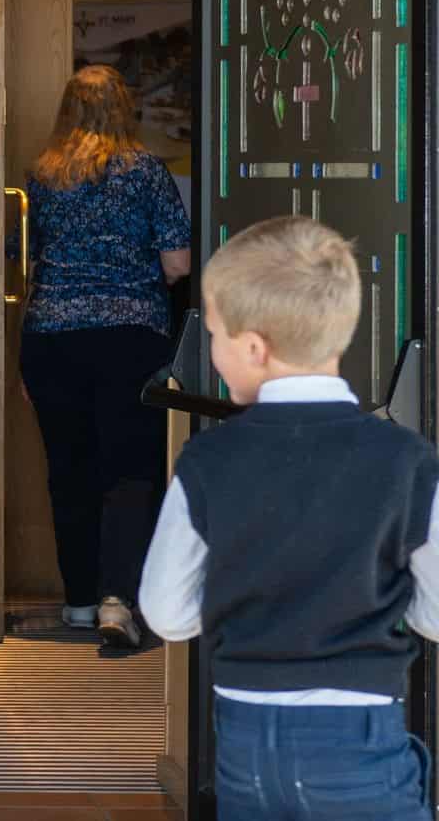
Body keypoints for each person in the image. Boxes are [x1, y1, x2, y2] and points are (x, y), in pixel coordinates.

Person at [140, 216, 439, 820]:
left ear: (254, 348)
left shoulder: (208, 460)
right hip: (359, 736)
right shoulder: (406, 461)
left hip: (244, 742)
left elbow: (166, 613)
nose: (211, 352)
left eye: (214, 334)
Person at [18, 65, 191, 646]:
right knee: (128, 470)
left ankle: (78, 599)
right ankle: (119, 598)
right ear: (126, 109)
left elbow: (26, 257)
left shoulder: (40, 177)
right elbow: (178, 263)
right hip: (128, 336)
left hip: (51, 335)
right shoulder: (145, 172)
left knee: (68, 470)